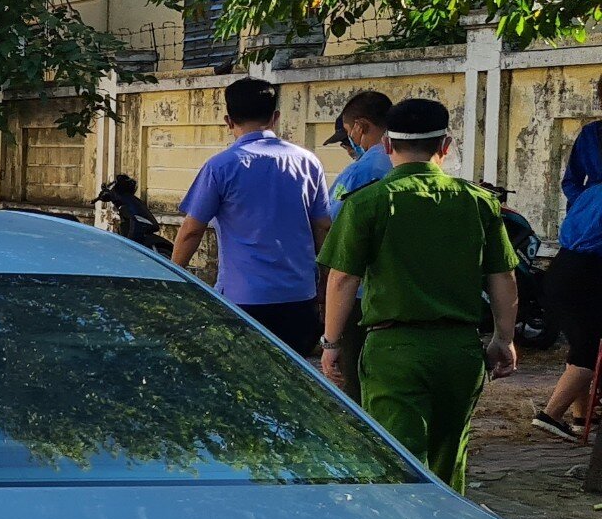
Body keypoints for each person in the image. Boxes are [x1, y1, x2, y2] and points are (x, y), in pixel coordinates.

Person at [318, 97, 519, 488]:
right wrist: (503, 338)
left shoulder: (367, 204)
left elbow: (342, 279)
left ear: (388, 145)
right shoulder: (480, 203)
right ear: (445, 146)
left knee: (397, 460)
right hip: (459, 349)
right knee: (449, 459)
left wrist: (331, 342)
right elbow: (503, 276)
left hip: (394, 350)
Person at [170, 76, 333, 355]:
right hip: (299, 296)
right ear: (276, 117)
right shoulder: (308, 162)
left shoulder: (221, 166)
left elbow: (191, 231)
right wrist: (325, 286)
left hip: (243, 300)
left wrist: (172, 277)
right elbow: (323, 228)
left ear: (228, 121)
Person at [538, 78, 602, 440]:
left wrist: (584, 203)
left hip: (563, 267)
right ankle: (551, 414)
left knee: (581, 341)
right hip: (587, 267)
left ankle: (581, 419)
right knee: (589, 347)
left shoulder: (589, 194)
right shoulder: (592, 137)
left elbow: (570, 182)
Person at [320, 90, 395, 397]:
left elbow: (333, 226)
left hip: (361, 294)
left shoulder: (361, 171)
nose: (349, 141)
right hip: (400, 294)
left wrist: (330, 340)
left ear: (362, 127)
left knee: (353, 383)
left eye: (349, 133)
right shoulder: (405, 162)